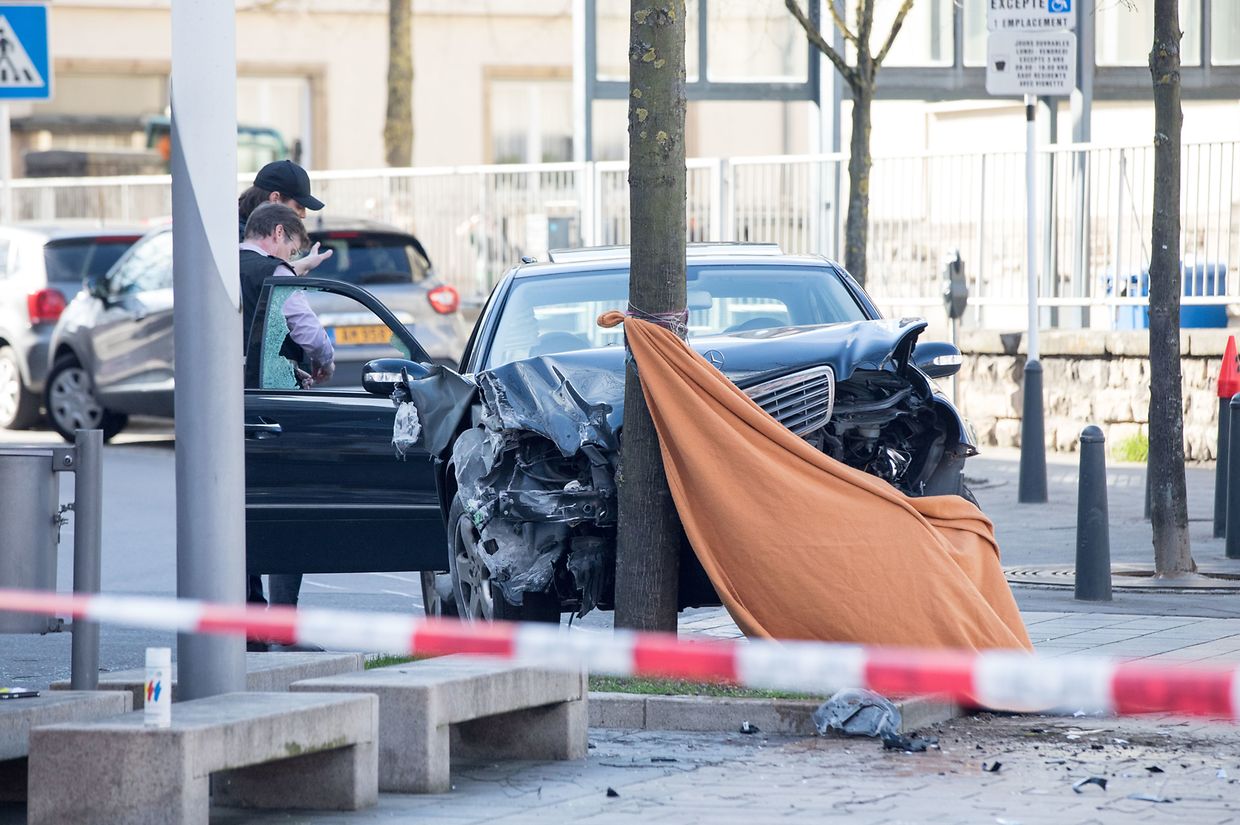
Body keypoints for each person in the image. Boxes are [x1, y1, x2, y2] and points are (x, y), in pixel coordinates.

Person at [240, 202, 334, 628]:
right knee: (283, 513)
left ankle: (246, 616)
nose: (293, 258)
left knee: (235, 515)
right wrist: (323, 362)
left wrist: (287, 367)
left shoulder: (221, 267)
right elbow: (308, 331)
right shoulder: (274, 275)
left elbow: (251, 343)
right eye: (293, 247)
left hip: (224, 408)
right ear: (277, 233)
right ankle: (280, 624)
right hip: (270, 413)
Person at [238, 159, 332, 276]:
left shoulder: (239, 229)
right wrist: (302, 265)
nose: (303, 215)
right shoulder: (238, 238)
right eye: (299, 206)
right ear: (275, 198)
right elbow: (260, 274)